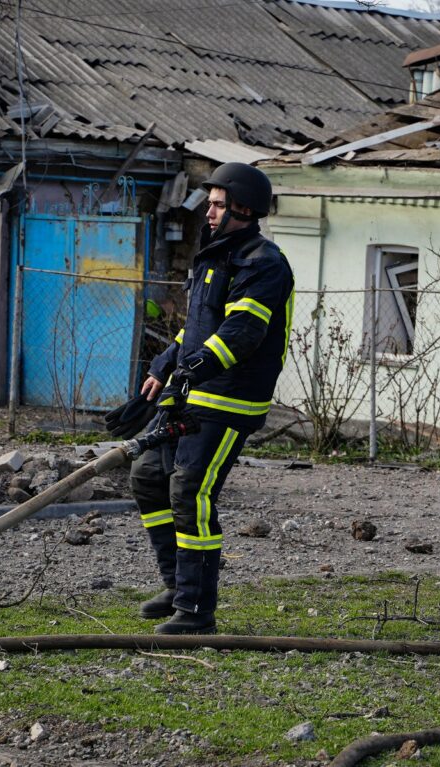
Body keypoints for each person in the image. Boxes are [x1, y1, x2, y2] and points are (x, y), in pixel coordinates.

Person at [126, 163, 293, 635]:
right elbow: (197, 326)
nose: (209, 211)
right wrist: (164, 367)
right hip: (191, 391)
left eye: (218, 204)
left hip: (229, 400)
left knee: (190, 491)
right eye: (210, 203)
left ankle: (197, 612)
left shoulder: (263, 262)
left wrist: (192, 369)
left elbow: (242, 331)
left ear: (243, 208)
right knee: (148, 476)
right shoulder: (214, 255)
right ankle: (178, 586)